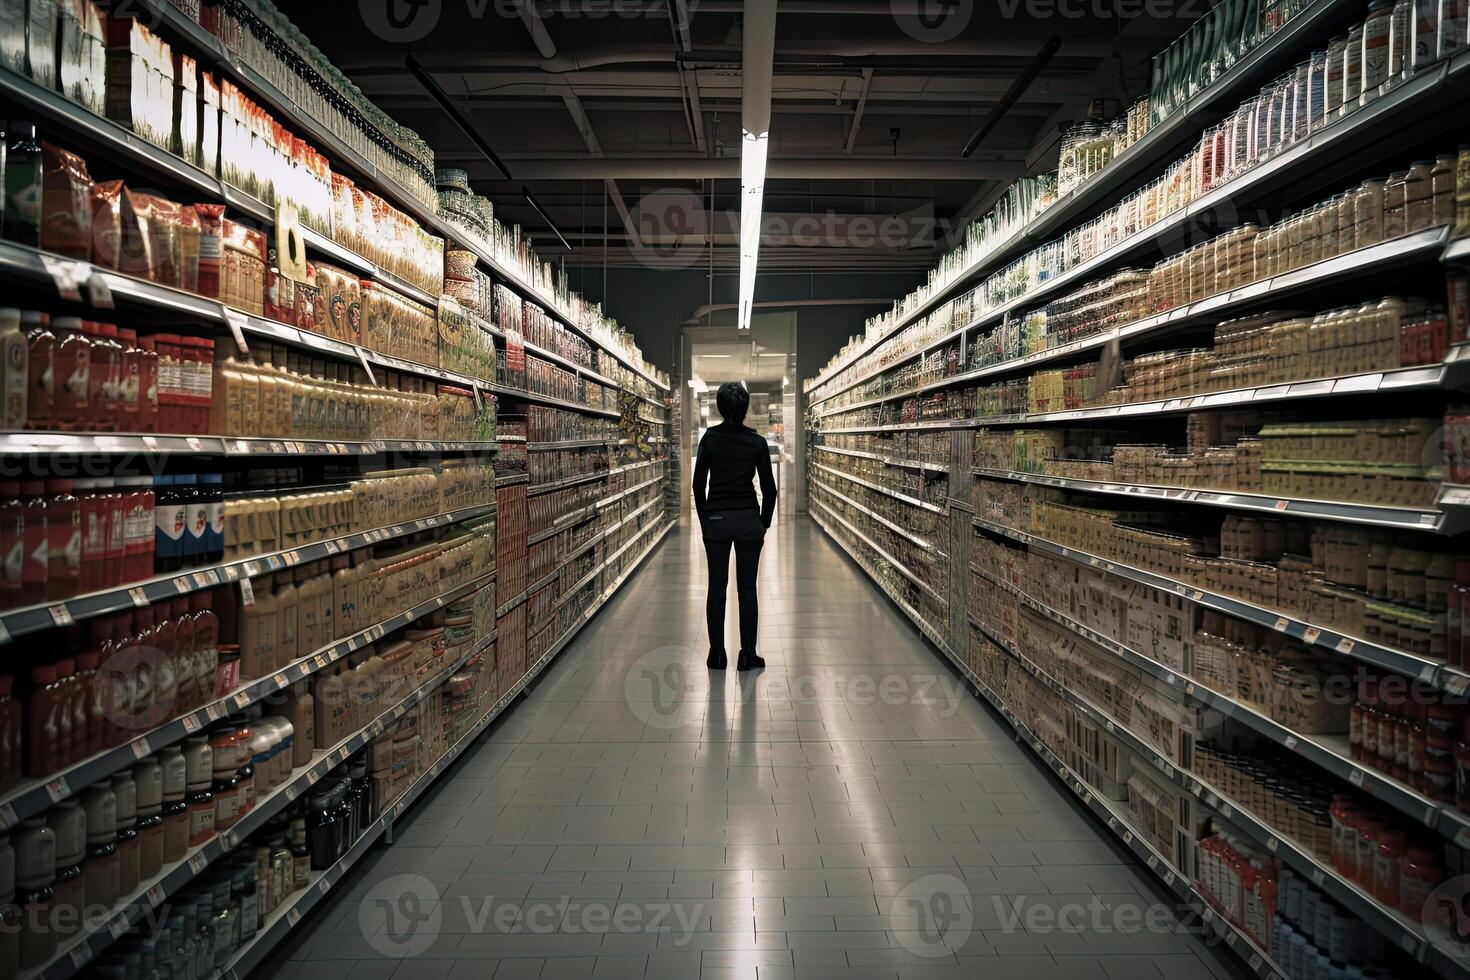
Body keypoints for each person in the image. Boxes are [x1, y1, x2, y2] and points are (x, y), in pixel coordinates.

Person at [692, 382, 777, 671]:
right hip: (747, 521)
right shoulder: (756, 442)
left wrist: (706, 521)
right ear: (745, 408)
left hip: (716, 519)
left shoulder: (710, 439)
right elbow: (770, 488)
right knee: (747, 588)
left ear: (719, 406)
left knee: (717, 586)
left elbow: (697, 484)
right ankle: (747, 654)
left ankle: (717, 654)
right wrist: (762, 523)